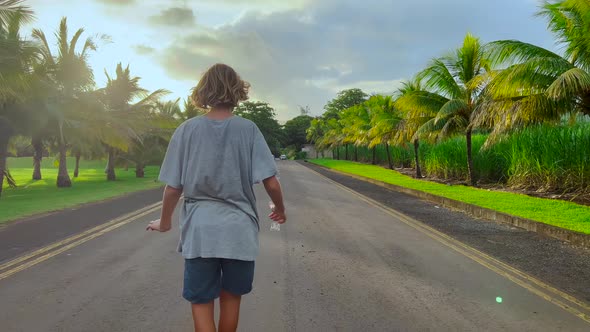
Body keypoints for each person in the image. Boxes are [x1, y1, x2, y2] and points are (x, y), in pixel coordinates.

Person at [146, 63, 287, 332]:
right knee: (231, 299)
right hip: (239, 231)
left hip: (201, 232)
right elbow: (272, 182)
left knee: (201, 302)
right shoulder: (249, 130)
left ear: (203, 92)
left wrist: (165, 222)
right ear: (237, 92)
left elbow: (174, 188)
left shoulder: (187, 130)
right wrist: (279, 210)